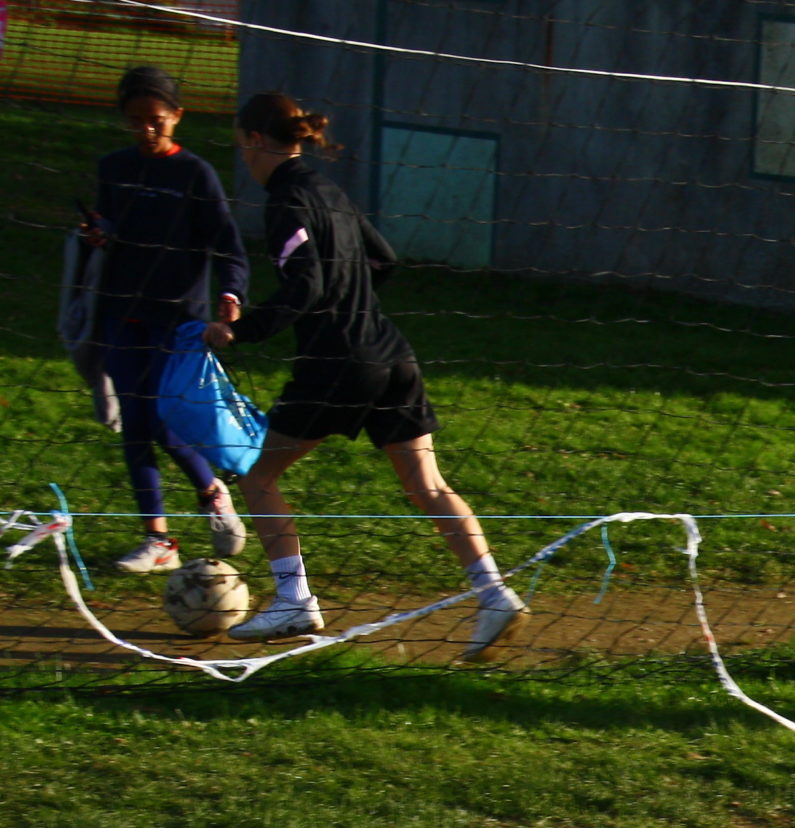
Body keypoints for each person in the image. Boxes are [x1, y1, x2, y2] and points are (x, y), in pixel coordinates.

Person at [205, 91, 524, 659]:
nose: (243, 158)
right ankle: (495, 595)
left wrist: (241, 331)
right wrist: (351, 301)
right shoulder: (328, 189)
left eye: (240, 145)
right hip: (391, 352)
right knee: (428, 486)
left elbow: (306, 284)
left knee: (257, 476)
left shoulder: (285, 201)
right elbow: (384, 260)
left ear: (254, 140)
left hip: (339, 363)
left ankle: (294, 600)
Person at [81, 63, 250, 576]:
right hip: (122, 313)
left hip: (178, 319)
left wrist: (231, 293)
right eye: (135, 120)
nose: (146, 129)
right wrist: (99, 234)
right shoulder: (113, 167)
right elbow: (108, 224)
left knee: (163, 418)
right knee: (134, 422)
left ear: (177, 115)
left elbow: (229, 245)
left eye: (155, 119)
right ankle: (158, 538)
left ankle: (211, 491)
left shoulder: (195, 174)